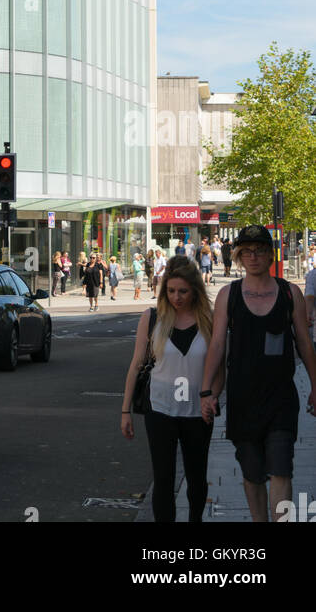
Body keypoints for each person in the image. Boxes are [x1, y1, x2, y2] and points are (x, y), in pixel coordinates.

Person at [200, 224, 316, 523]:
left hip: (281, 397)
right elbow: (217, 345)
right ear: (239, 256)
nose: (253, 257)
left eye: (260, 250)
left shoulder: (290, 293)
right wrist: (207, 391)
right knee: (252, 473)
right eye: (247, 251)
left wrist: (315, 386)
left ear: (270, 255)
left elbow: (304, 343)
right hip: (243, 398)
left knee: (281, 469)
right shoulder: (229, 295)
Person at [121, 257, 218, 523]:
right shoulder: (152, 318)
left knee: (197, 478)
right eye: (171, 291)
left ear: (195, 290)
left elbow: (220, 368)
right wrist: (125, 411)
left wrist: (212, 396)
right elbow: (136, 364)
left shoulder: (210, 321)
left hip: (198, 411)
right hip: (160, 409)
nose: (176, 297)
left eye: (183, 291)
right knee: (163, 479)